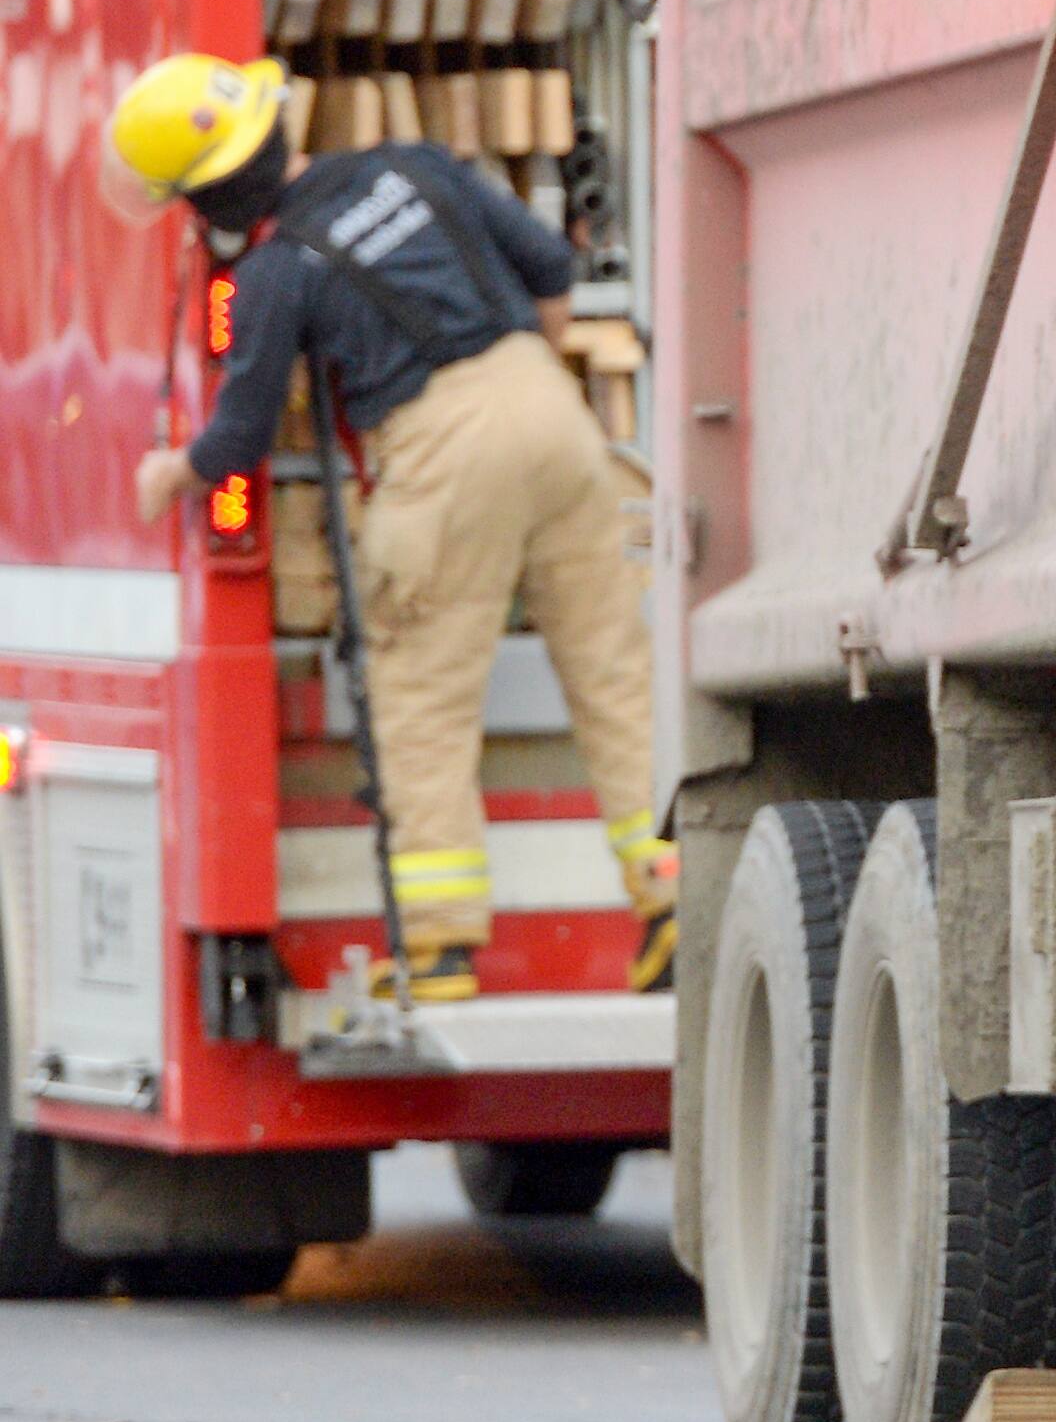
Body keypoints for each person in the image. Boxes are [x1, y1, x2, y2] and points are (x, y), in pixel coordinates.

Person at [107, 56, 671, 999]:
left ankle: (440, 949)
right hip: (556, 412)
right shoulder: (418, 164)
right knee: (615, 672)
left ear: (206, 204)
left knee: (419, 699)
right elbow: (550, 269)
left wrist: (174, 472)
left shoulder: (277, 271)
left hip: (442, 453)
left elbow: (241, 435)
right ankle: (671, 900)